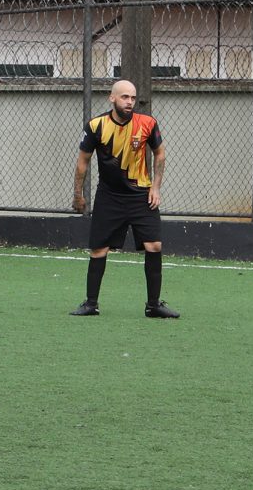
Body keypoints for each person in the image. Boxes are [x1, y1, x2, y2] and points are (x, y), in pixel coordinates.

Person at [69, 79, 177, 318]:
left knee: (154, 245)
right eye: (125, 97)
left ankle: (153, 305)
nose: (129, 102)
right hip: (109, 197)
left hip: (141, 195)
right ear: (112, 98)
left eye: (132, 98)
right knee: (98, 249)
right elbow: (82, 161)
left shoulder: (147, 123)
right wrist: (78, 195)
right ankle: (90, 303)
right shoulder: (96, 126)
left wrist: (156, 188)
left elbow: (159, 154)